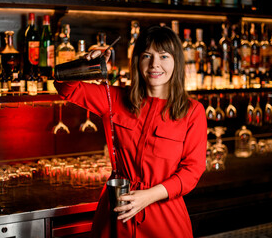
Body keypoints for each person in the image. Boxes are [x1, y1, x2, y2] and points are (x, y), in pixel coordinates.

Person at [54, 25, 207, 238]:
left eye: (164, 56)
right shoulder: (115, 99)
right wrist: (87, 64)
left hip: (164, 217)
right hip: (115, 215)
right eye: (147, 55)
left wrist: (148, 196)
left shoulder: (192, 111)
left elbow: (192, 171)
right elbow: (64, 86)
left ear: (176, 63)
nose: (155, 64)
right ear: (137, 61)